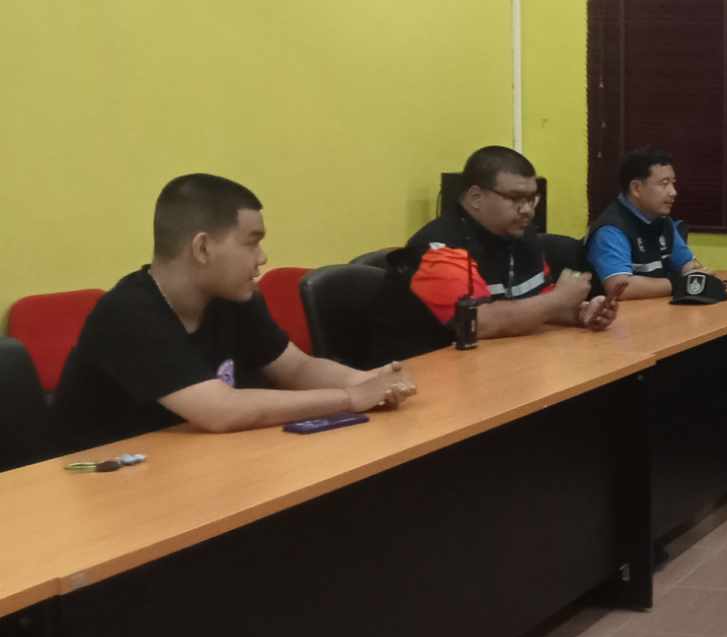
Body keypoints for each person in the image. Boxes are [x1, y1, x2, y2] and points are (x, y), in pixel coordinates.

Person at [50, 174, 415, 454]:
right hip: (99, 489)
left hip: (190, 465)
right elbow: (220, 411)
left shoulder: (233, 297)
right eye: (252, 242)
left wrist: (372, 382)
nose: (262, 257)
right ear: (203, 248)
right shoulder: (127, 313)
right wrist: (350, 398)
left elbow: (296, 368)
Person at [369, 145, 618, 362]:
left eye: (532, 199)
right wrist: (559, 300)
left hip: (495, 362)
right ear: (476, 197)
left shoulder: (521, 236)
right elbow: (478, 323)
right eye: (516, 198)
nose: (527, 210)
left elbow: (535, 305)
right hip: (422, 374)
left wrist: (580, 312)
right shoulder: (439, 250)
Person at [583, 145, 705, 301]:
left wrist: (696, 275)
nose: (673, 192)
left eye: (673, 183)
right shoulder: (611, 229)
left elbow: (688, 266)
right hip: (618, 314)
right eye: (664, 183)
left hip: (655, 309)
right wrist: (680, 284)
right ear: (636, 188)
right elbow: (620, 288)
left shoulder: (662, 221)